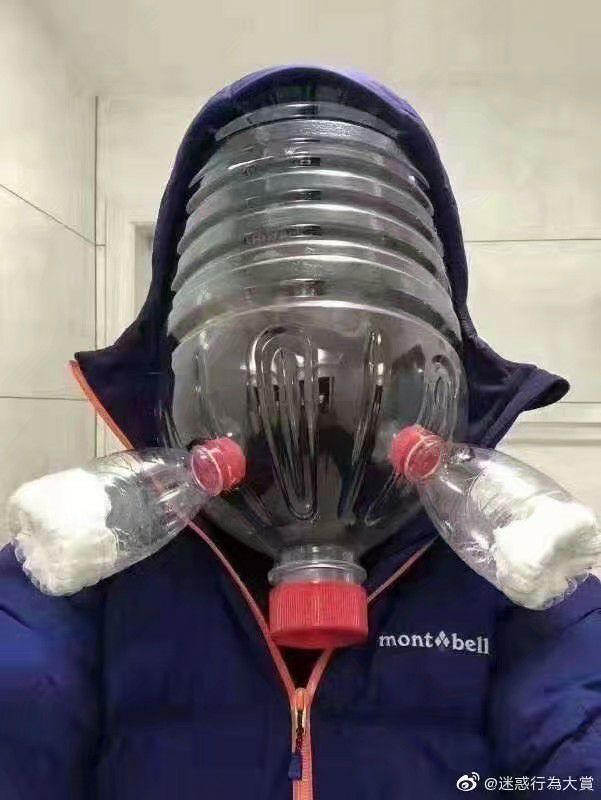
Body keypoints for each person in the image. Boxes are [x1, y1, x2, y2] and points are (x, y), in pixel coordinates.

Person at [1, 66, 599, 799]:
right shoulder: (92, 569)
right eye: (272, 305)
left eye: (359, 331)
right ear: (179, 364)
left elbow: (579, 731)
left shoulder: (512, 574)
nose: (313, 378)